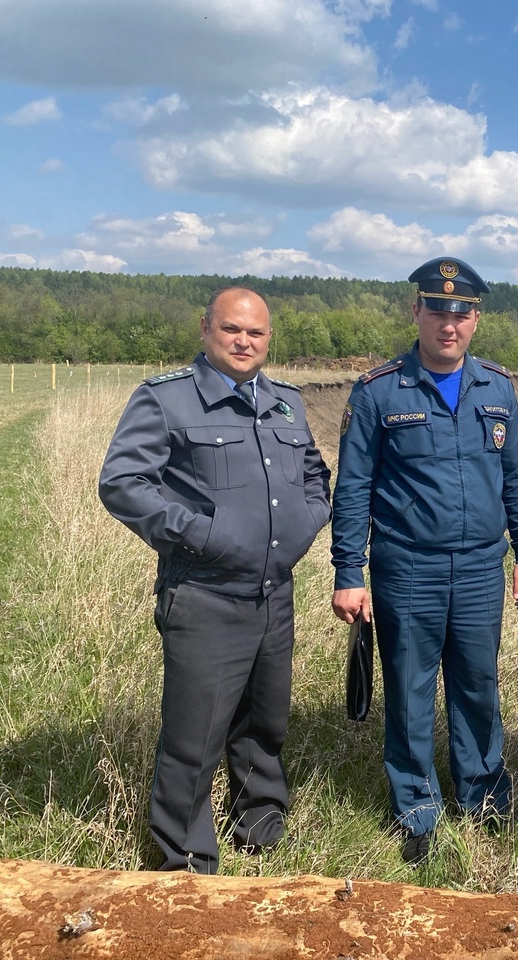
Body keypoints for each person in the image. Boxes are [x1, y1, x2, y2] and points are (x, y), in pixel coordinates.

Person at [98, 286, 331, 874]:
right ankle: (185, 858)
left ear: (268, 339)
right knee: (194, 735)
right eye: (231, 329)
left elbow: (313, 476)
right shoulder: (167, 400)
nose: (244, 341)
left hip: (274, 595)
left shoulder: (286, 403)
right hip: (204, 595)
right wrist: (203, 534)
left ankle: (260, 820)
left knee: (265, 721)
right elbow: (123, 483)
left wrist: (305, 525)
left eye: (255, 333)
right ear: (206, 329)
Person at [330, 256, 518, 865]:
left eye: (462, 312)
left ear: (476, 318)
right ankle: (415, 807)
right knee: (410, 688)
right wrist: (350, 572)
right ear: (416, 311)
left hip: (480, 567)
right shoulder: (378, 390)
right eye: (438, 309)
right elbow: (354, 488)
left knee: (478, 685)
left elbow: (517, 475)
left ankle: (483, 797)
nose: (450, 323)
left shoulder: (497, 388)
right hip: (408, 566)